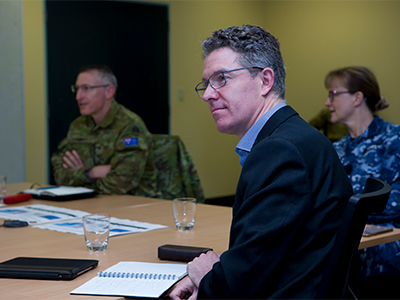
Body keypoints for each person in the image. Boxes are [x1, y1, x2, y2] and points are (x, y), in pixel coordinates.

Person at [169, 25, 353, 299]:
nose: (208, 94)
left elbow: (236, 286)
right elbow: (262, 256)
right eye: (206, 83)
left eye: (221, 79)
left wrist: (207, 278)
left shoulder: (280, 151)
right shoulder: (297, 137)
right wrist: (213, 276)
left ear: (265, 81)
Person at [324, 66, 400, 298]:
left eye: (333, 94)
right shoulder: (334, 150)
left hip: (385, 249)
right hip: (344, 247)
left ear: (357, 97)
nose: (327, 102)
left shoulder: (394, 141)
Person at [51, 65, 160, 197]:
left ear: (109, 91)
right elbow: (59, 174)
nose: (78, 96)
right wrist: (92, 172)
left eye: (86, 88)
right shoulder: (78, 126)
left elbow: (120, 183)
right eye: (77, 89)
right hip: (91, 205)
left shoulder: (130, 126)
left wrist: (79, 177)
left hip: (134, 207)